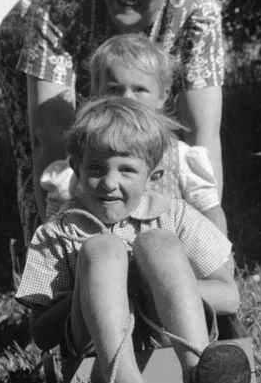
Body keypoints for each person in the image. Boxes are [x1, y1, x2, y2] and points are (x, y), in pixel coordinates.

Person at [14, 96, 251, 383]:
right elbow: (41, 334)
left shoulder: (174, 216)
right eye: (96, 168)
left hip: (169, 334)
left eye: (126, 170)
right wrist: (94, 293)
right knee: (101, 249)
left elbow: (229, 296)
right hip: (94, 349)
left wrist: (155, 286)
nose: (109, 183)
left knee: (157, 243)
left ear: (153, 175)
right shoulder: (58, 233)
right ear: (76, 167)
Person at [0, 0, 225, 249]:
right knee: (67, 164)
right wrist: (60, 249)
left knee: (152, 152)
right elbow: (50, 139)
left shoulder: (200, 13)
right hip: (36, 42)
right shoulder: (60, 3)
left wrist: (206, 249)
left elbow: (202, 136)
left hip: (141, 65)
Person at [40, 33, 228, 233]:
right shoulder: (87, 155)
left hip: (166, 248)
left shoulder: (179, 156)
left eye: (139, 89)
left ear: (162, 96)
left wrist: (220, 250)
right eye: (115, 89)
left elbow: (208, 210)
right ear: (96, 94)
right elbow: (56, 214)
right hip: (100, 247)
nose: (127, 98)